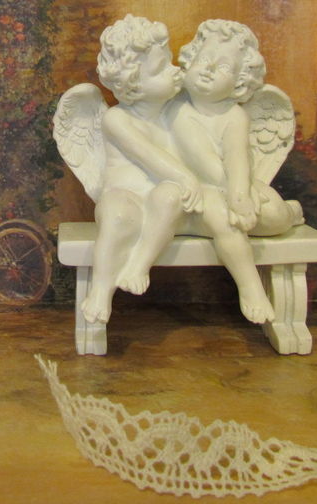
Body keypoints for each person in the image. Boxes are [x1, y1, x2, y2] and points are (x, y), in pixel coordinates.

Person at [118, 20, 302, 324]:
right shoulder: (179, 110)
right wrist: (238, 198)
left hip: (226, 187)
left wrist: (243, 191)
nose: (209, 69)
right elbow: (203, 162)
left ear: (240, 82)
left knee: (274, 215)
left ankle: (292, 213)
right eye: (204, 60)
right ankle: (250, 288)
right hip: (193, 193)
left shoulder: (235, 115)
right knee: (225, 218)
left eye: (224, 67)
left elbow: (237, 158)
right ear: (189, 62)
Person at [80, 15, 204, 324]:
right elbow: (149, 156)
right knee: (118, 214)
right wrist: (186, 177)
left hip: (159, 205)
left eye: (171, 62)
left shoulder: (175, 115)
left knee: (170, 197)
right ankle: (101, 290)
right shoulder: (117, 119)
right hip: (123, 197)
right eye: (161, 68)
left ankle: (139, 264)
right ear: (131, 84)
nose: (174, 70)